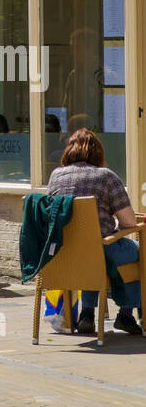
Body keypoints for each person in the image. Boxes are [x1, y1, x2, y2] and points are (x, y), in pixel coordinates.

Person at [47, 128, 142, 336]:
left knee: (92, 254)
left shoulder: (56, 176)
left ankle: (87, 314)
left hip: (65, 254)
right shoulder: (106, 177)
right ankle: (127, 314)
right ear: (97, 152)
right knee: (139, 252)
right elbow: (129, 221)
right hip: (100, 250)